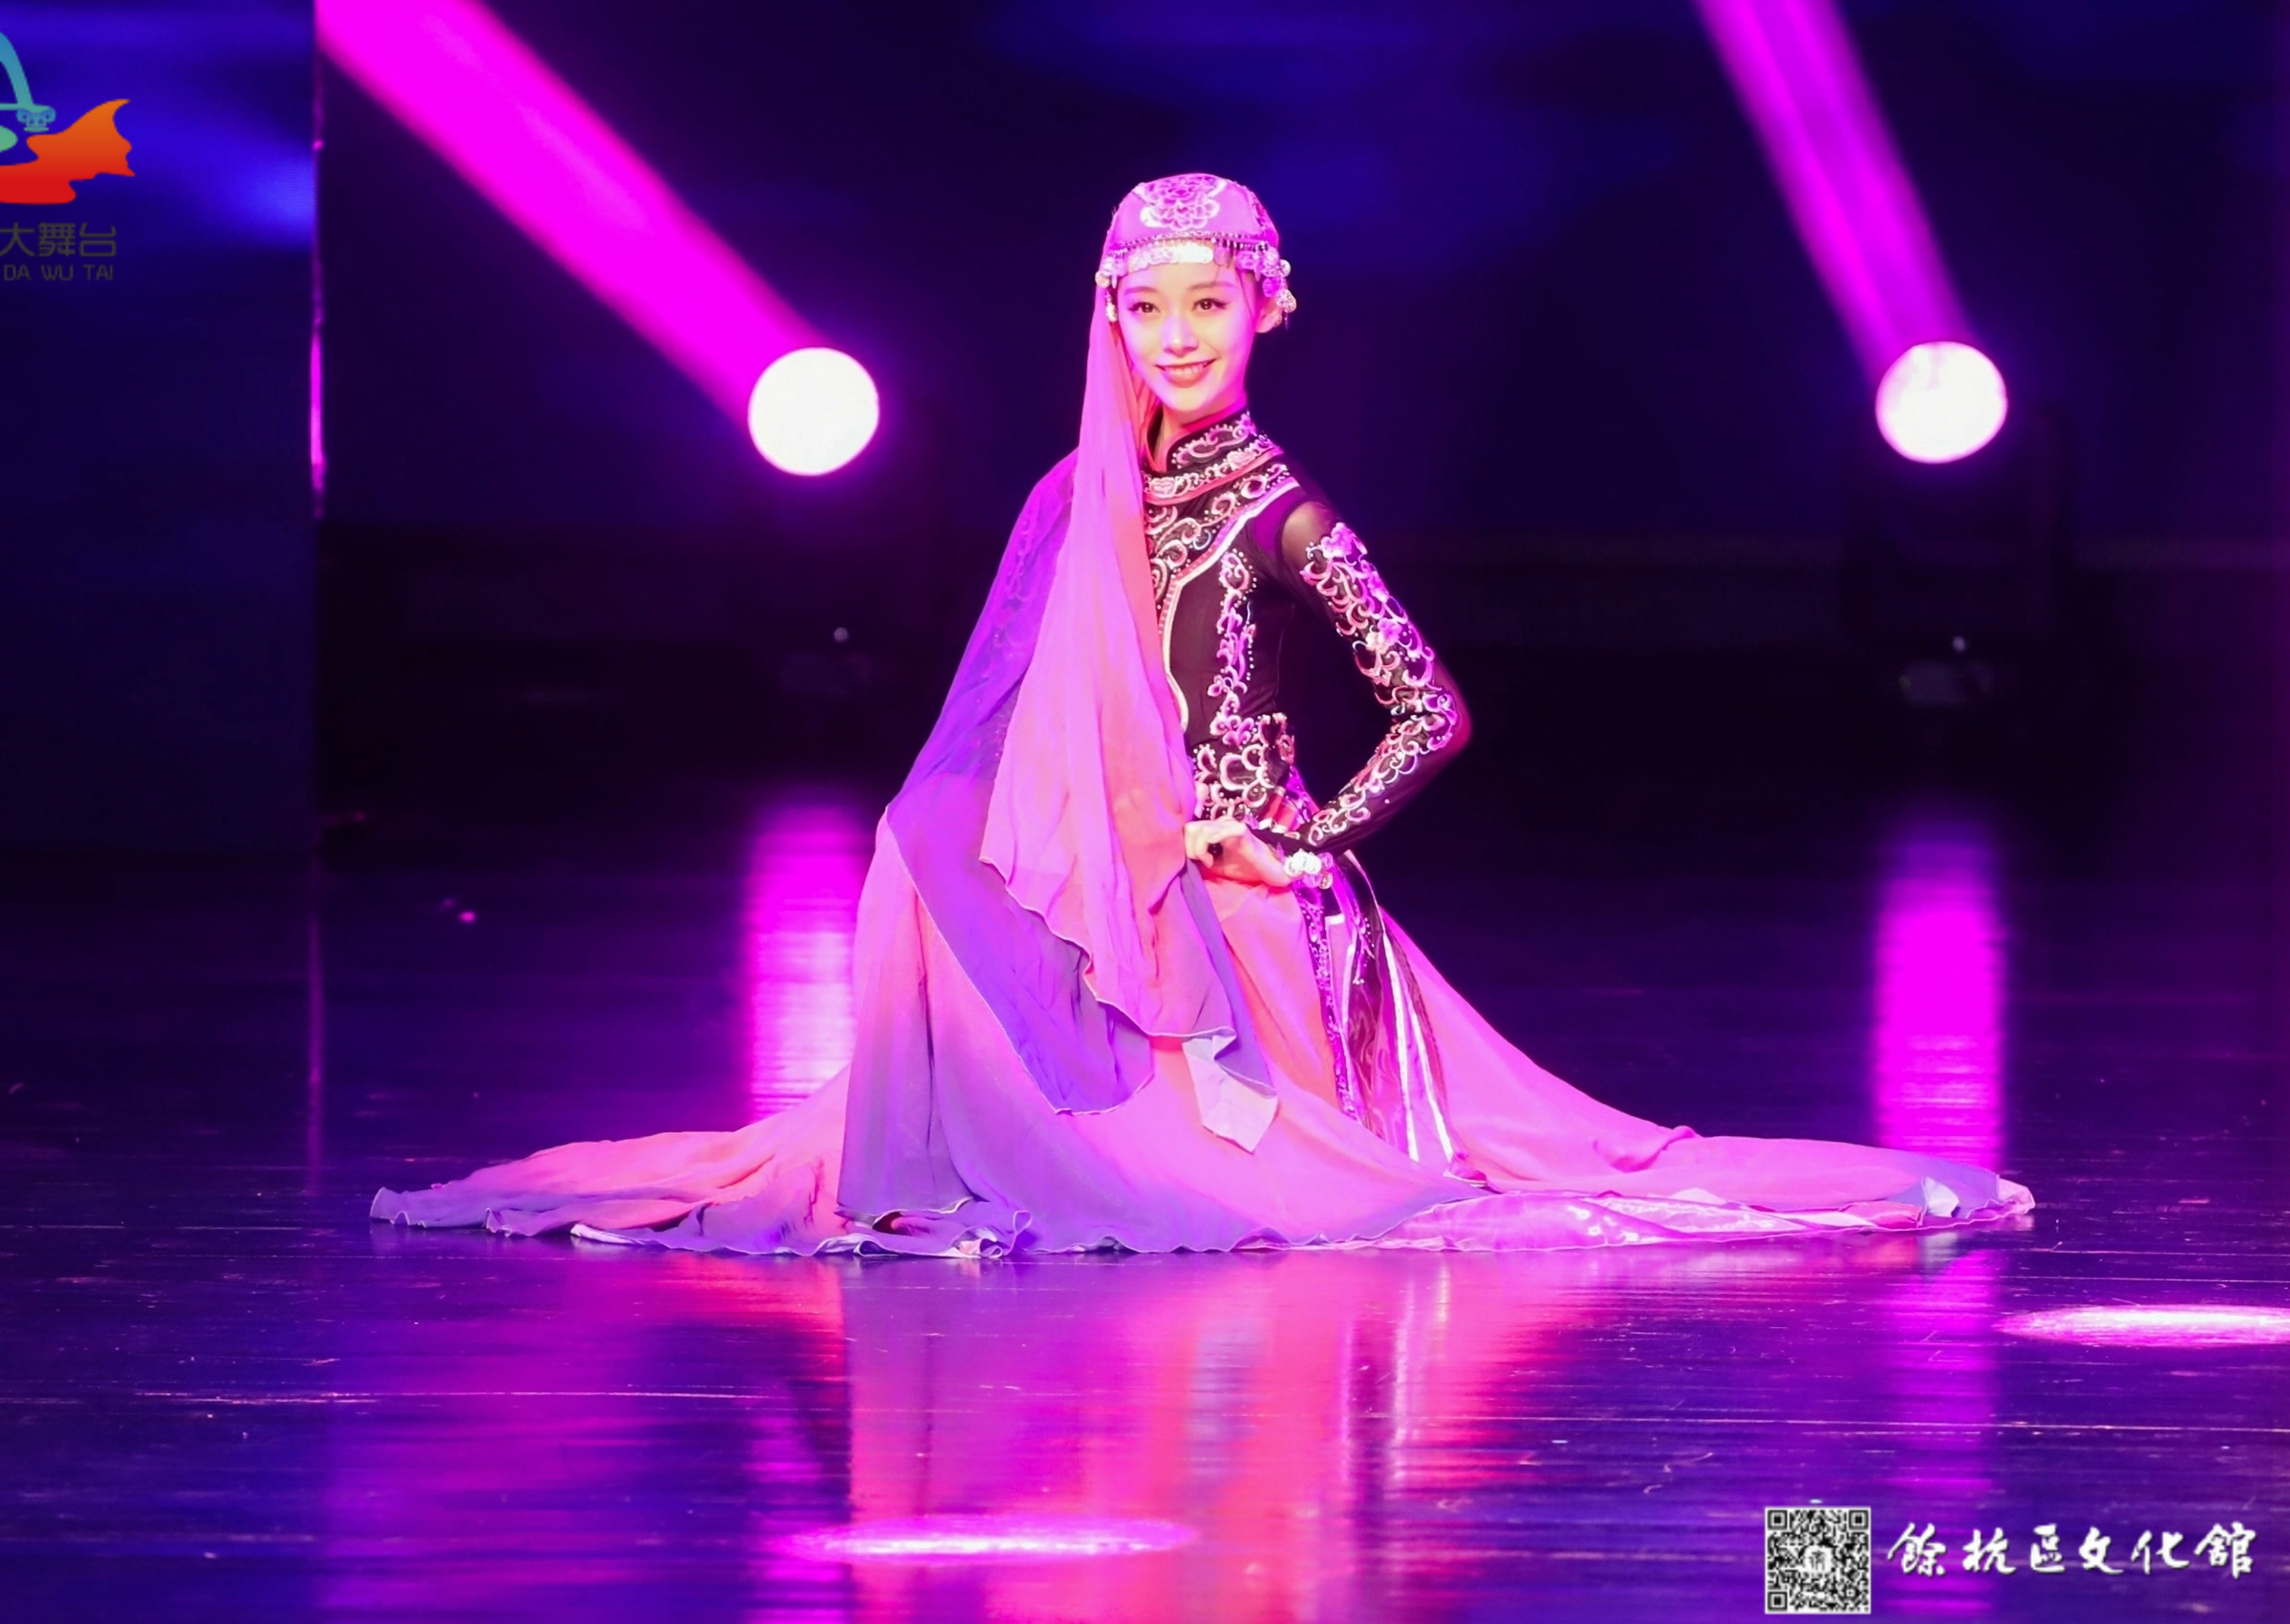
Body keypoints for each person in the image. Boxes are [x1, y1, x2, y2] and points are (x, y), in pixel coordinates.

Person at [373, 174, 2032, 1255]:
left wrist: (1301, 837)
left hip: (1245, 903)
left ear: (1266, 310)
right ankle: (982, 1151)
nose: (1176, 337)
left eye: (1209, 305)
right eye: (1147, 306)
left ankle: (1085, 1147)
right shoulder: (1076, 497)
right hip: (1124, 869)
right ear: (1112, 317)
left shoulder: (1278, 509)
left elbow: (1432, 709)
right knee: (923, 843)